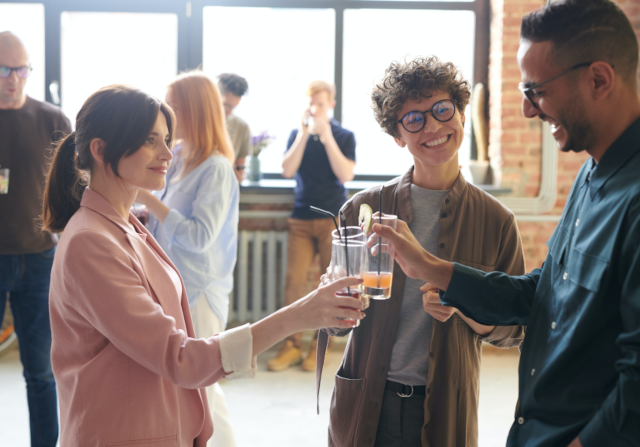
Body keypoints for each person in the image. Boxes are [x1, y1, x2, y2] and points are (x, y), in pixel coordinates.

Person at [373, 0, 640, 447]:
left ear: (598, 79)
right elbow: (542, 293)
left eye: (537, 91)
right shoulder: (591, 174)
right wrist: (431, 268)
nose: (527, 110)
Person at [42, 84, 365, 447]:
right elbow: (180, 358)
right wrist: (299, 315)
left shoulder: (128, 222)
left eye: (167, 138)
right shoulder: (90, 241)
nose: (167, 152)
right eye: (151, 140)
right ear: (100, 150)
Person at [319, 57, 526, 447]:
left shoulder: (497, 221)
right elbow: (331, 323)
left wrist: (464, 303)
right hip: (365, 400)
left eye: (442, 110)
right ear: (398, 135)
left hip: (445, 407)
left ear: (461, 113)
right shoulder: (360, 209)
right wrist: (331, 299)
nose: (432, 126)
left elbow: (515, 330)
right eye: (413, 119)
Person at [140, 71, 238, 447]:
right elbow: (170, 219)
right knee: (198, 391)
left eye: (174, 106)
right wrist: (148, 213)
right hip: (175, 282)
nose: (166, 113)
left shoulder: (216, 168)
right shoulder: (179, 156)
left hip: (201, 290)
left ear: (194, 111)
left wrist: (151, 202)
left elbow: (199, 236)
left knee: (204, 390)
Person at [0, 31, 71, 447]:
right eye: (5, 69)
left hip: (40, 258)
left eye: (21, 69)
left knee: (42, 371)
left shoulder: (53, 120)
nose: (14, 78)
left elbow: (72, 185)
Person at [269, 80, 356, 372]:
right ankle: (291, 346)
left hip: (333, 220)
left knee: (331, 285)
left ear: (331, 104)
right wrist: (304, 135)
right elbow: (286, 170)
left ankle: (321, 347)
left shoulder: (344, 135)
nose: (315, 109)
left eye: (320, 104)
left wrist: (327, 135)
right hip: (301, 219)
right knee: (294, 283)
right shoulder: (298, 134)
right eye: (311, 104)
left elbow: (345, 176)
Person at [218, 73, 251, 182]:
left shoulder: (242, 127)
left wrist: (240, 175)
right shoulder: (199, 121)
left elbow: (240, 166)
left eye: (234, 107)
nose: (230, 111)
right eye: (226, 105)